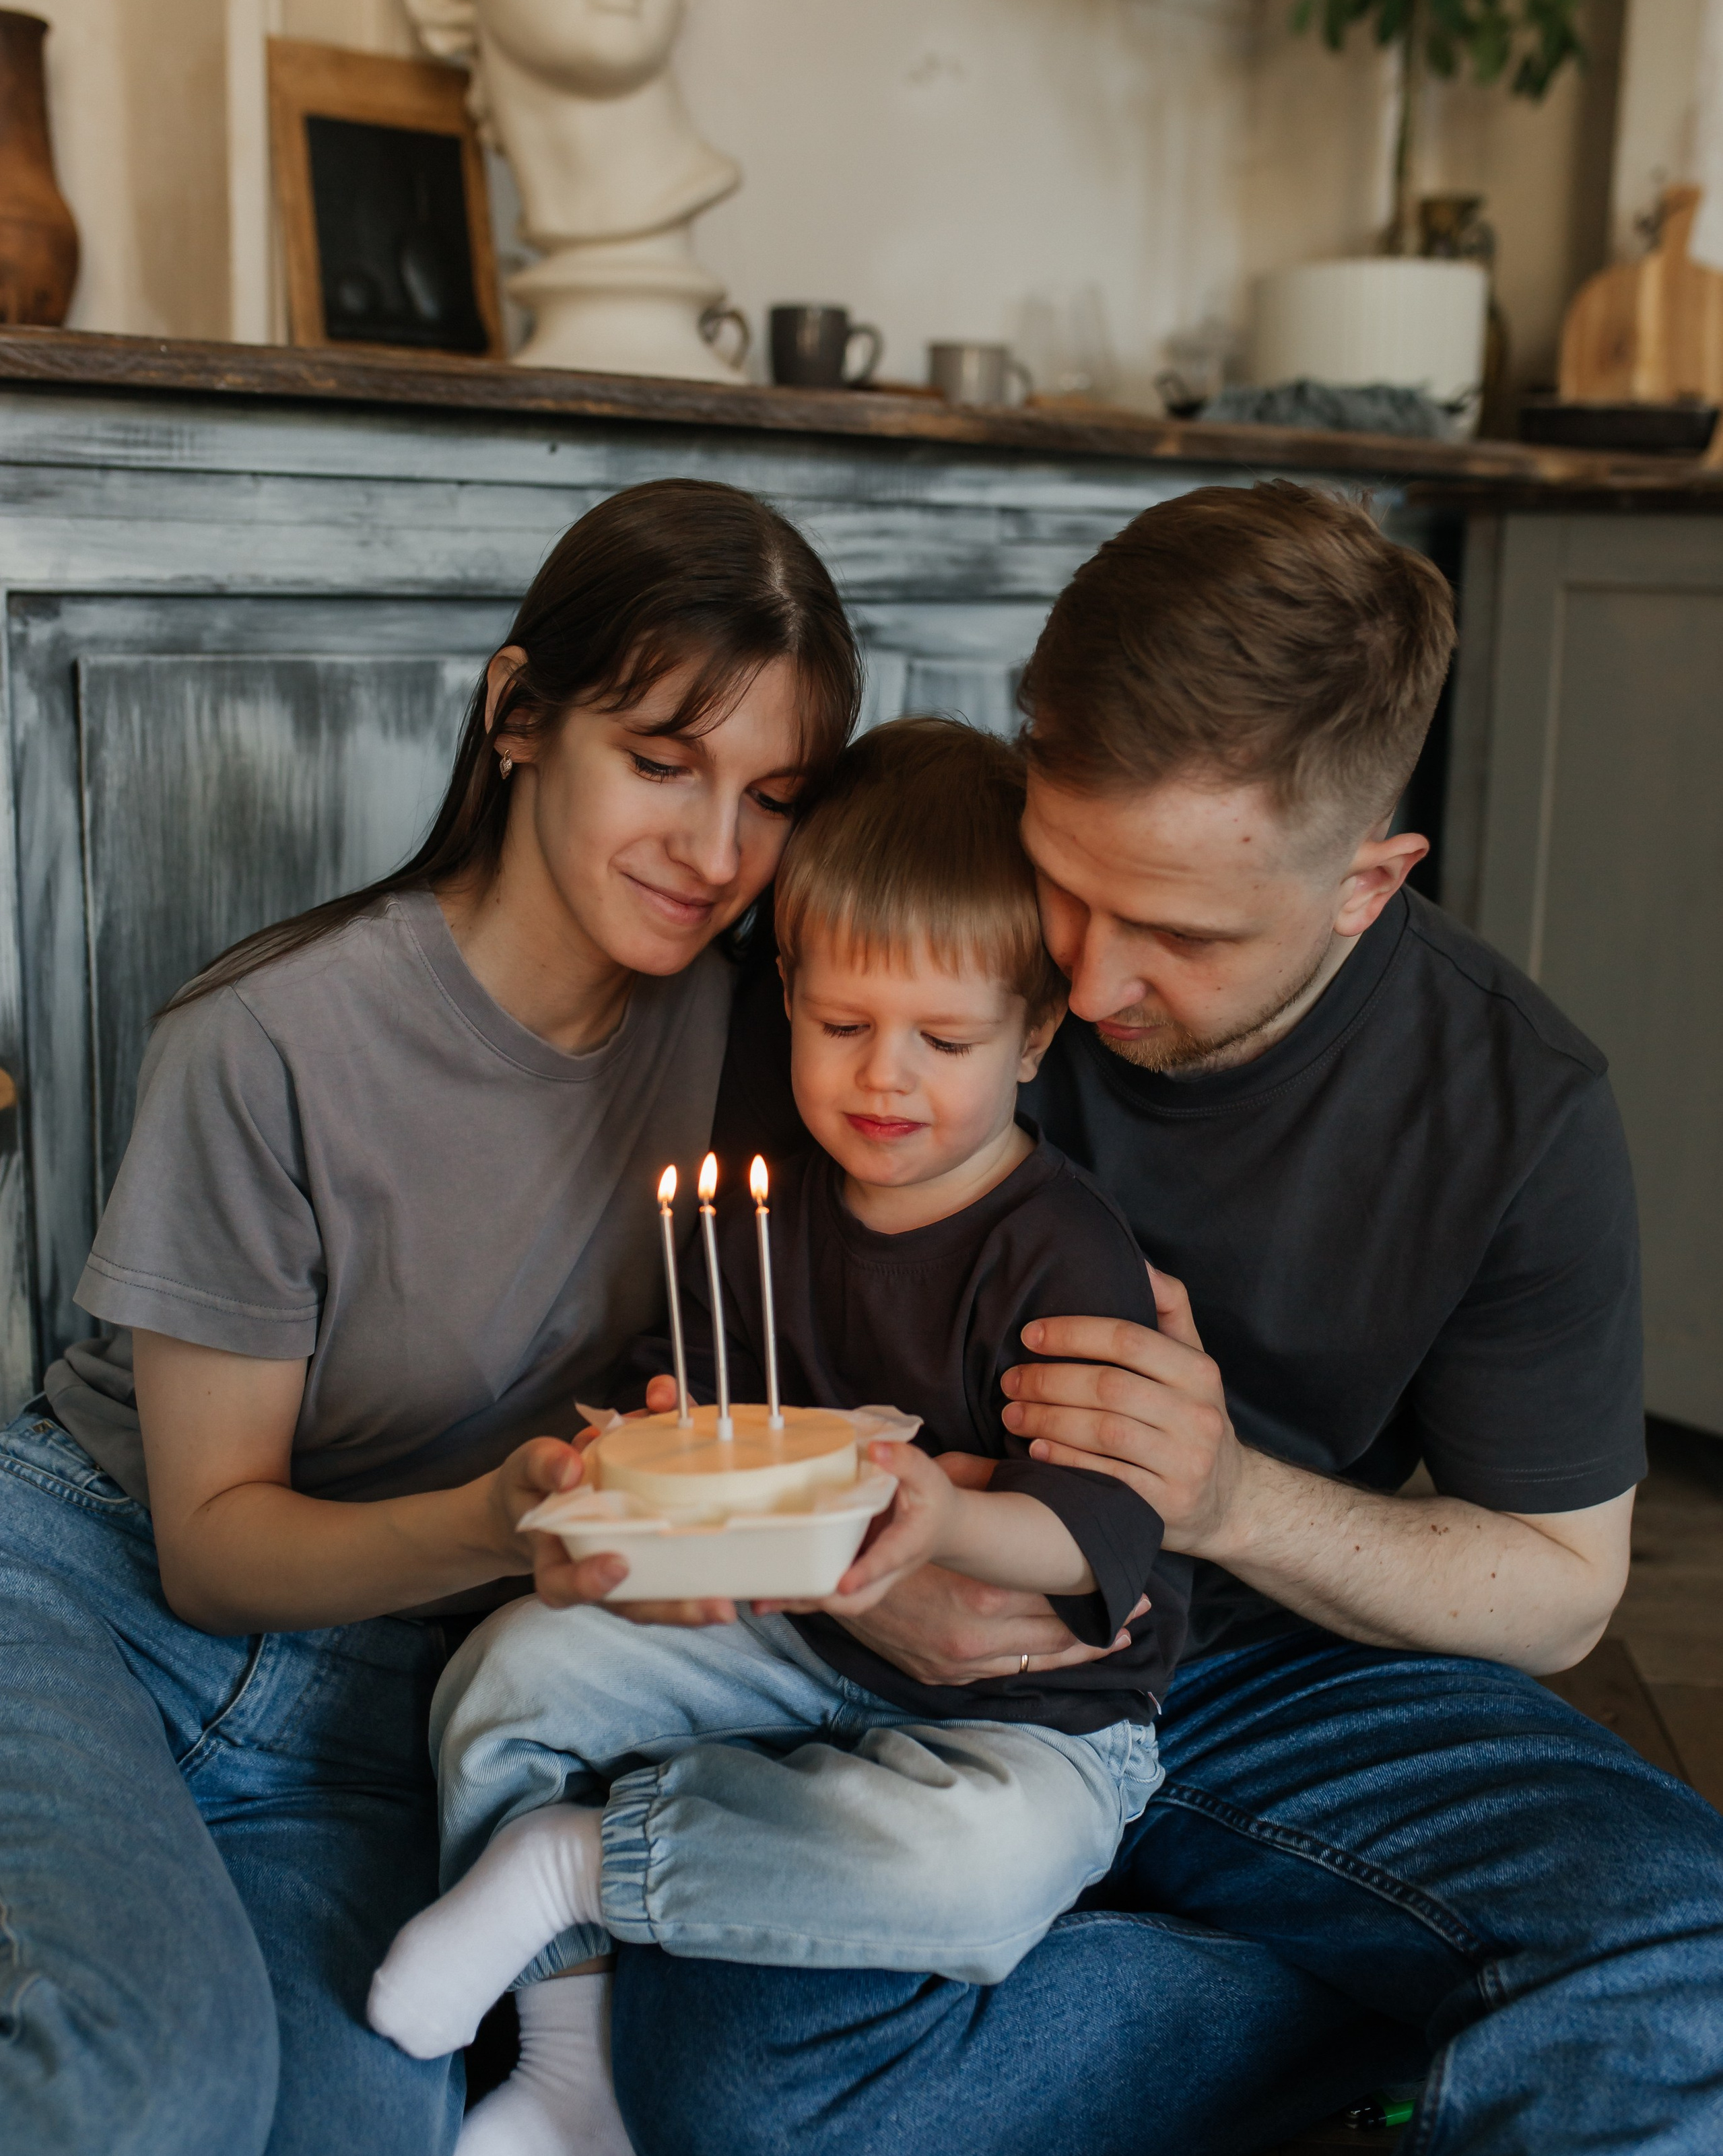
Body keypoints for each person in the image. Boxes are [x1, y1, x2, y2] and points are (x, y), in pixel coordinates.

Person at [626, 481, 1723, 2155]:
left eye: (1182, 933)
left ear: (1365, 882)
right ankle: (1408, 2032)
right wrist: (843, 1556)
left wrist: (1228, 1499)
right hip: (886, 1659)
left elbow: (1561, 1587)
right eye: (1065, 885)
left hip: (1274, 1678)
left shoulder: (1510, 1104)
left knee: (1678, 1956)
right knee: (731, 2081)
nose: (1087, 976)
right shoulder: (904, 924)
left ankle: (1416, 2014)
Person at [0, 479, 860, 2156]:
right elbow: (212, 1543)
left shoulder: (772, 1039)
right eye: (661, 760)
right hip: (89, 1595)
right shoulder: (265, 1042)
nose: (712, 851)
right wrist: (494, 1516)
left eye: (771, 795)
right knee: (151, 2090)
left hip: (386, 1698)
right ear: (519, 713)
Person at [368, 718, 1188, 2156]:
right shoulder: (776, 1210)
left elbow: (1095, 1518)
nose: (885, 1079)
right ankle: (575, 2076)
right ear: (789, 993)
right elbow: (689, 1391)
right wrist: (638, 1447)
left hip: (1029, 1716)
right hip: (790, 1643)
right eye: (839, 1025)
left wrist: (942, 1517)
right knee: (510, 1673)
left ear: (1034, 1035)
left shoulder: (1062, 1246)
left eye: (942, 1039)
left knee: (975, 1876)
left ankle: (583, 1864)